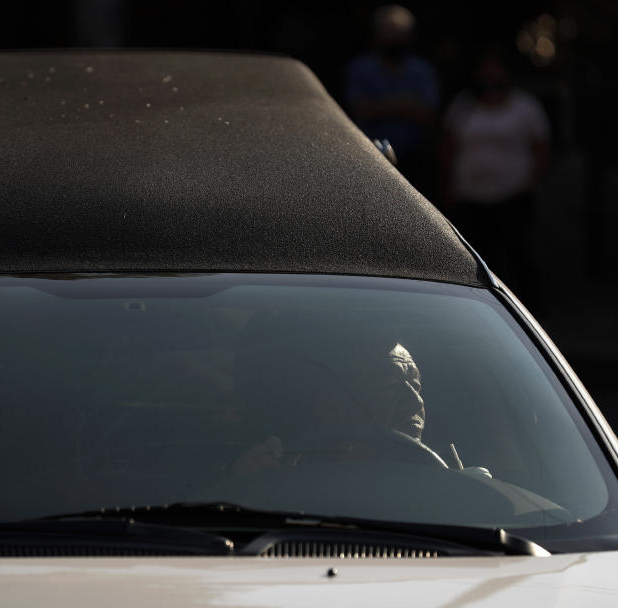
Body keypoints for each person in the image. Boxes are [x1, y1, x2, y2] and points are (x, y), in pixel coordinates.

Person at [233, 341, 445, 475]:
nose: (415, 402)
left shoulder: (450, 486)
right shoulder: (284, 473)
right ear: (336, 402)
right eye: (390, 386)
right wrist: (247, 481)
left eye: (416, 387)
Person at [441, 52, 550, 305]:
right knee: (478, 259)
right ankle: (476, 306)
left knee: (520, 255)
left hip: (513, 196)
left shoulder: (526, 106)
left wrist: (533, 183)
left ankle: (530, 309)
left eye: (496, 72)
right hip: (471, 197)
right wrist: (447, 186)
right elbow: (447, 145)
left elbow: (541, 147)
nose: (491, 80)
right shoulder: (464, 106)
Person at [344, 5, 440, 198]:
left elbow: (429, 113)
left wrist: (381, 106)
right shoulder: (360, 69)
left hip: (416, 160)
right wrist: (405, 104)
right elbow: (361, 110)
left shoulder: (422, 71)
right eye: (389, 31)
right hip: (370, 156)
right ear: (377, 34)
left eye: (400, 33)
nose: (394, 38)